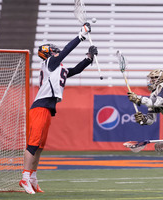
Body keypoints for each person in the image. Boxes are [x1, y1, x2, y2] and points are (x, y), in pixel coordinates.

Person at [19, 23, 98, 194]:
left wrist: (89, 58)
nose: (57, 52)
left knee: (39, 146)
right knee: (33, 144)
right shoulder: (50, 63)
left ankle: (32, 178)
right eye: (54, 51)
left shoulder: (58, 68)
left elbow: (75, 70)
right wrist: (81, 35)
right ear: (48, 53)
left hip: (47, 108)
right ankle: (24, 178)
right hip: (40, 106)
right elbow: (66, 51)